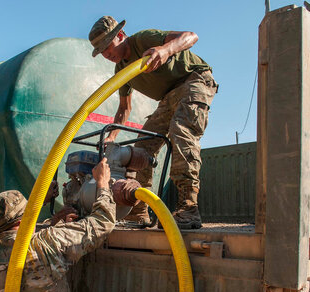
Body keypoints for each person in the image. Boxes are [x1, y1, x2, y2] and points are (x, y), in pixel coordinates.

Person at [88, 16, 218, 229]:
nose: (106, 54)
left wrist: (166, 50)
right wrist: (111, 137)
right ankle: (139, 211)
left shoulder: (143, 40)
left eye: (107, 46)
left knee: (181, 132)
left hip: (194, 80)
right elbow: (124, 108)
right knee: (141, 149)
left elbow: (191, 36)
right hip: (168, 97)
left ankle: (188, 207)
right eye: (101, 51)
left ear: (120, 36)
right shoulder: (121, 69)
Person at [0, 158, 116, 292]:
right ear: (24, 220)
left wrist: (55, 223)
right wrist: (102, 184)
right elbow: (102, 222)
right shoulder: (46, 243)